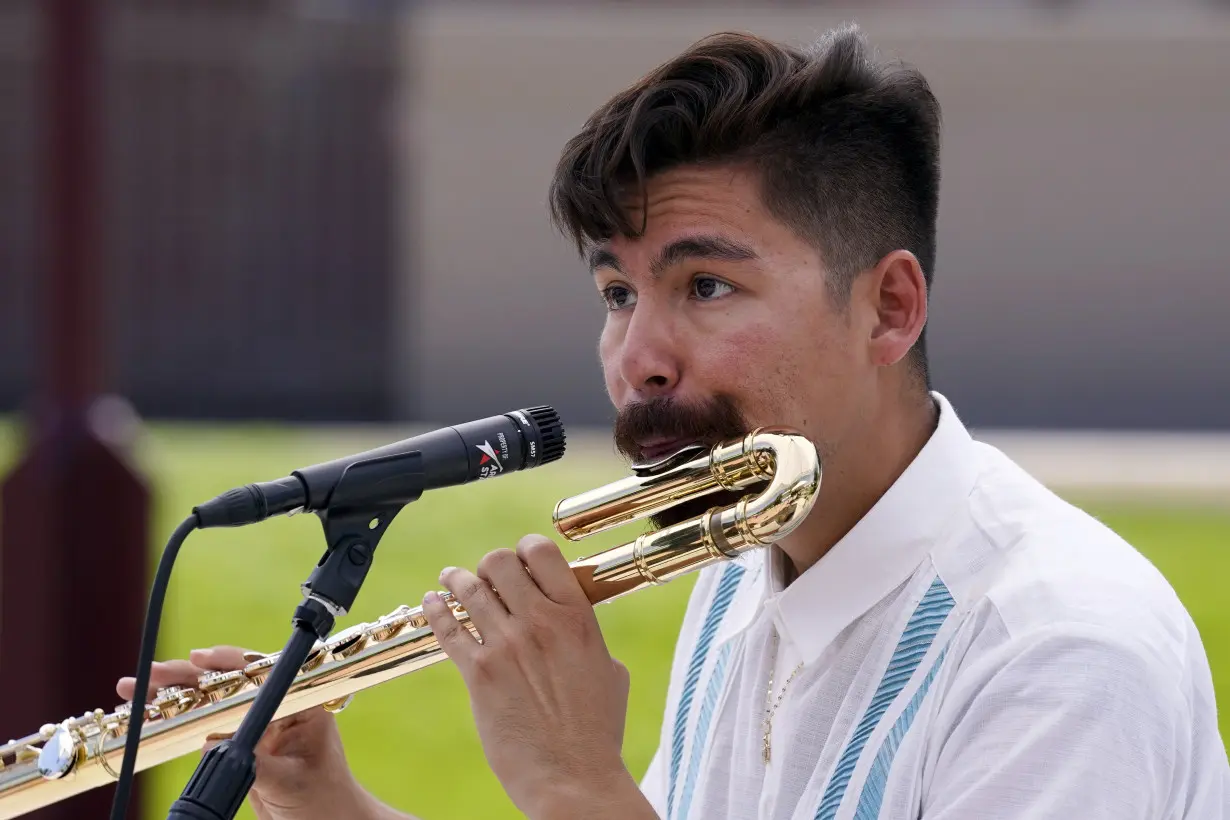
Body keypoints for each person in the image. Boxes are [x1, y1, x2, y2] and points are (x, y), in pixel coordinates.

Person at [119, 23, 1229, 820]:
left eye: (706, 286)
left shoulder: (1059, 650)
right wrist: (327, 801)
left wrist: (571, 781)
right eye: (617, 293)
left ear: (889, 306)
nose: (637, 357)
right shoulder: (740, 569)